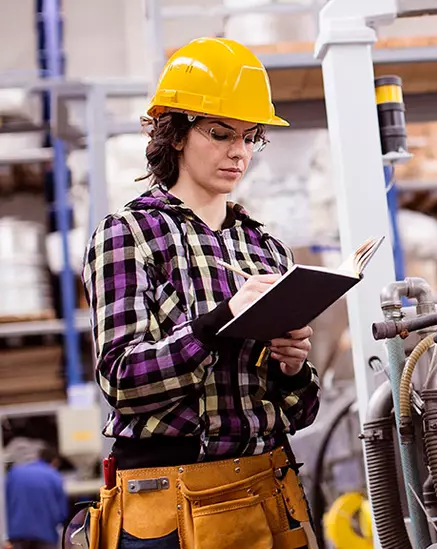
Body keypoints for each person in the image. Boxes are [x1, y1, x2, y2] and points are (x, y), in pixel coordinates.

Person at [81, 37, 321, 549]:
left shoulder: (266, 249)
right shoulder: (128, 235)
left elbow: (300, 414)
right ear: (174, 134)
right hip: (168, 505)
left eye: (251, 136)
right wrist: (219, 323)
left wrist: (294, 368)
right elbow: (122, 381)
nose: (239, 151)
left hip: (269, 490)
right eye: (220, 133)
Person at [6, 444, 67, 549]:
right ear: (55, 461)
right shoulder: (54, 476)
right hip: (45, 535)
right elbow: (61, 513)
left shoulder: (15, 473)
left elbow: (6, 502)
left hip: (18, 534)